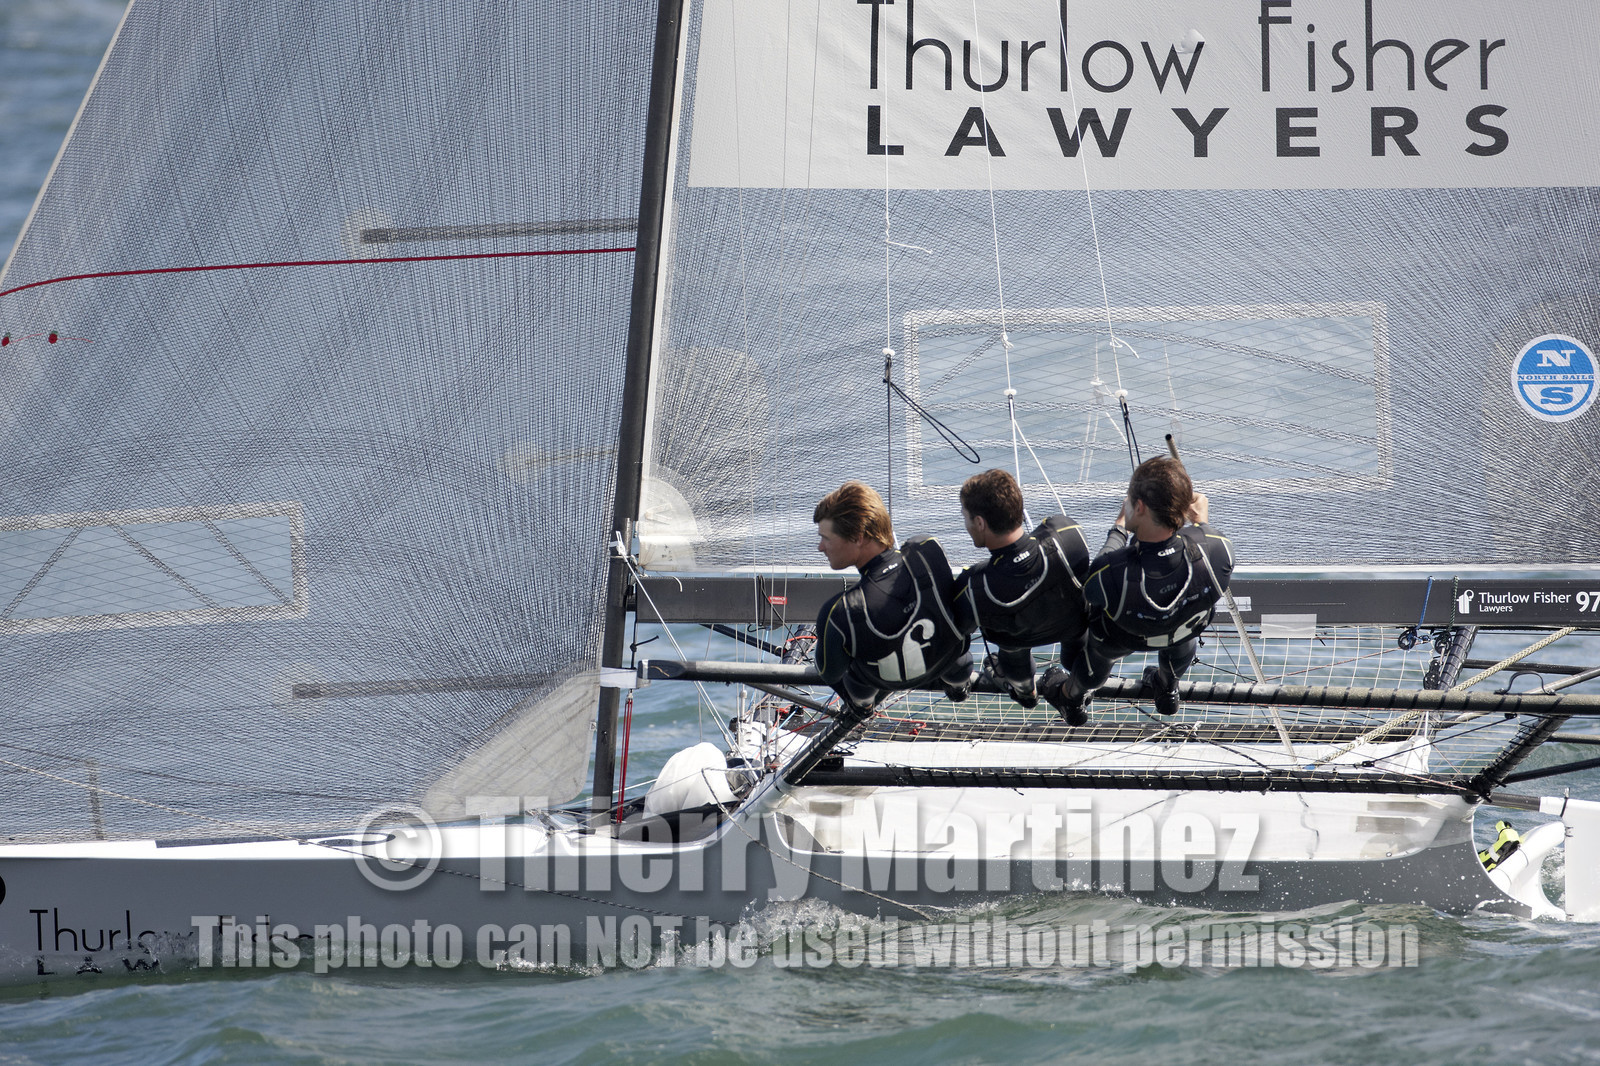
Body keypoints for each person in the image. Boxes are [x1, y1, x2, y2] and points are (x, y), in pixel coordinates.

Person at [1039, 457, 1233, 725]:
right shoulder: (1218, 550)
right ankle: (1167, 688)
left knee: (1097, 650)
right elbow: (1204, 544)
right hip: (1179, 633)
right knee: (1179, 632)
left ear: (1139, 507)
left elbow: (1092, 590)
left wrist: (1119, 528)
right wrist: (1201, 525)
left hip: (1123, 639)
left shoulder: (1110, 571)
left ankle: (1072, 696)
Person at [813, 481, 974, 719]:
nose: (820, 547)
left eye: (826, 538)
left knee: (849, 669)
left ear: (858, 537)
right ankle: (958, 685)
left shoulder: (840, 610)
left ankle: (863, 706)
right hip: (946, 663)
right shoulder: (928, 550)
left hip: (881, 681)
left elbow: (830, 672)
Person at [953, 469, 1091, 709]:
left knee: (1011, 651)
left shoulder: (973, 585)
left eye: (965, 517)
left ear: (979, 522)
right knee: (1079, 642)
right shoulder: (1067, 536)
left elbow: (959, 632)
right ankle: (1078, 690)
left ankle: (1026, 692)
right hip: (1072, 627)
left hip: (1015, 642)